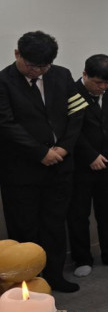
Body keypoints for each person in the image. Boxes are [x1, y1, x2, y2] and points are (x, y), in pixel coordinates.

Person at [0, 32, 87, 292]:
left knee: (54, 224)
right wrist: (41, 152)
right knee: (24, 228)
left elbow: (77, 112)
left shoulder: (61, 75)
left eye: (44, 66)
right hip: (21, 171)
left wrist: (64, 147)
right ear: (17, 54)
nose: (38, 71)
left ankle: (55, 276)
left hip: (59, 167)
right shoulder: (3, 82)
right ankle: (26, 284)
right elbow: (6, 124)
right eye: (32, 66)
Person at [68, 54, 108, 277]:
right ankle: (82, 259)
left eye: (107, 82)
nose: (102, 87)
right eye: (97, 83)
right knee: (78, 214)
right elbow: (71, 131)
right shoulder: (71, 93)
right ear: (85, 74)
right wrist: (90, 156)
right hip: (80, 166)